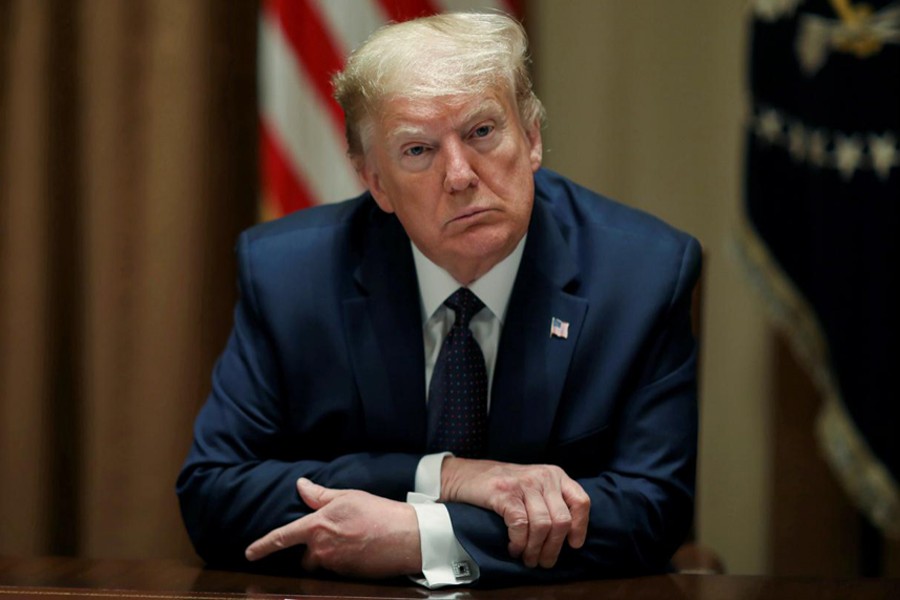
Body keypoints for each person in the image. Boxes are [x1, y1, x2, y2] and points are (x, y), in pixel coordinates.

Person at [177, 12, 701, 588]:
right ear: (375, 181)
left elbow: (651, 511)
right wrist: (444, 477)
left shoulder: (642, 275)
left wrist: (421, 536)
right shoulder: (290, 276)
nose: (459, 175)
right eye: (419, 150)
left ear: (531, 138)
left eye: (481, 132)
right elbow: (214, 494)